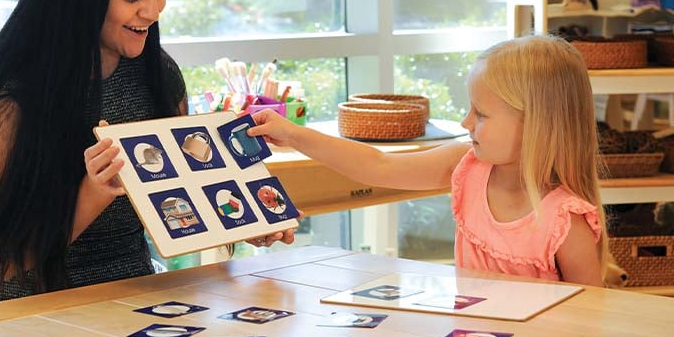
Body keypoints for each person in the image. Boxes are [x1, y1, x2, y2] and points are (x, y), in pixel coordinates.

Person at [0, 0, 293, 309]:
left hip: (131, 298)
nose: (152, 10)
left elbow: (177, 202)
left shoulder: (158, 75)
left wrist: (244, 216)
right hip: (21, 313)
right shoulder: (10, 99)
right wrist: (92, 194)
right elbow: (1, 262)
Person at [249, 35, 621, 287]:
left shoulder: (564, 221)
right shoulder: (468, 167)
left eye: (481, 114)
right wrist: (294, 135)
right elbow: (378, 166)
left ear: (536, 124)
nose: (465, 122)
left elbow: (588, 317)